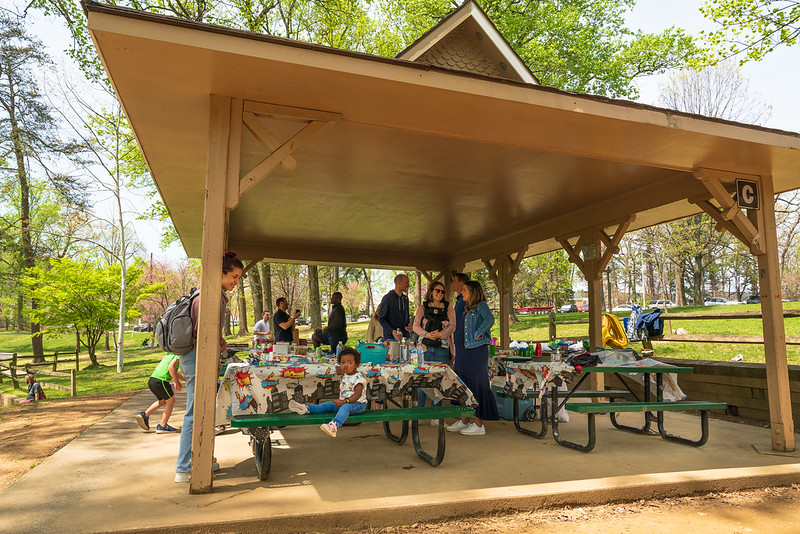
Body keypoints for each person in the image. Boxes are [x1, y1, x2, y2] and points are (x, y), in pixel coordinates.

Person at [175, 250, 243, 483]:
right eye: (234, 276)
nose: (236, 282)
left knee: (202, 411)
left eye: (238, 278)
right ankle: (184, 468)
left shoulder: (211, 294)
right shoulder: (207, 296)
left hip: (198, 357)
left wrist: (219, 340)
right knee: (194, 413)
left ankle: (201, 458)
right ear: (221, 273)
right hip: (196, 359)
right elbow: (202, 333)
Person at [447, 280, 499, 436]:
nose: (462, 293)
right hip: (463, 352)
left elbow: (490, 319)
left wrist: (478, 333)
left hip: (476, 352)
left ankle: (478, 424)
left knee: (477, 384)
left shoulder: (481, 306)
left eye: (464, 290)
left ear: (473, 292)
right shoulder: (466, 308)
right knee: (463, 384)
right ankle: (464, 420)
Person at [288, 346, 367, 438]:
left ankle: (334, 426)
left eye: (349, 363)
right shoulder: (347, 374)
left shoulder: (358, 380)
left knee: (346, 407)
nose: (345, 365)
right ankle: (307, 408)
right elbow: (342, 370)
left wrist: (344, 401)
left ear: (357, 365)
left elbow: (357, 395)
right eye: (343, 363)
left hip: (358, 405)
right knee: (328, 405)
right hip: (344, 402)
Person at [413, 280, 456, 414]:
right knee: (421, 380)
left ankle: (436, 415)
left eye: (442, 292)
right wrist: (427, 334)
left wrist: (441, 334)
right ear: (431, 291)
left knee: (439, 381)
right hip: (424, 349)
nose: (440, 294)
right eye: (437, 291)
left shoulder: (449, 307)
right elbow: (415, 326)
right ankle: (418, 413)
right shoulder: (422, 308)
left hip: (442, 349)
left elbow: (453, 325)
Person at [136, 352, 184, 433]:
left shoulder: (170, 354)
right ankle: (163, 425)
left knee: (163, 401)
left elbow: (174, 372)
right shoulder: (179, 353)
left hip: (153, 380)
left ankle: (145, 415)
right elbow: (171, 368)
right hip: (161, 381)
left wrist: (185, 379)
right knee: (171, 401)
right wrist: (176, 382)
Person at [378, 274, 411, 341]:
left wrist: (408, 325)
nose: (408, 285)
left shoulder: (405, 299)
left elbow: (406, 318)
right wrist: (392, 331)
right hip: (391, 338)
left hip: (405, 337)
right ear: (398, 283)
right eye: (406, 283)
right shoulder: (387, 298)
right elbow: (382, 319)